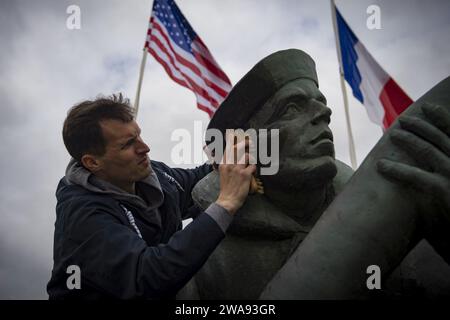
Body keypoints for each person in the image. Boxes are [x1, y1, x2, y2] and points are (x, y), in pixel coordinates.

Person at [179, 49, 450, 299]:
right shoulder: (204, 257)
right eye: (292, 108)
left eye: (320, 102)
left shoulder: (401, 207)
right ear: (247, 148)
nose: (324, 112)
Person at [47, 94, 256, 299]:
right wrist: (226, 203)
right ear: (92, 162)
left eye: (138, 135)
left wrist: (228, 153)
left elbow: (197, 182)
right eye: (128, 144)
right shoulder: (82, 215)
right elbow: (146, 277)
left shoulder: (154, 175)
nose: (145, 147)